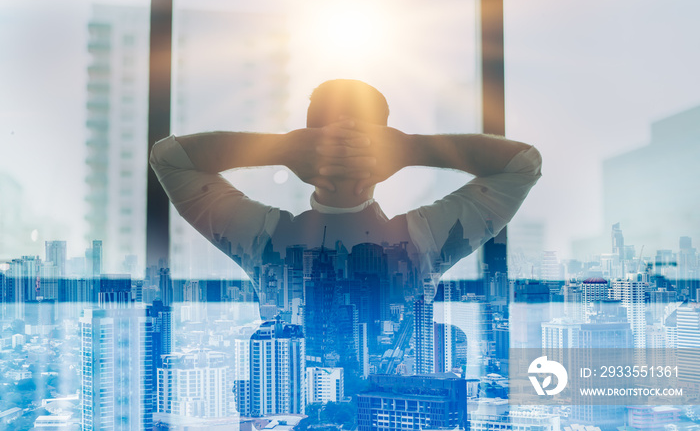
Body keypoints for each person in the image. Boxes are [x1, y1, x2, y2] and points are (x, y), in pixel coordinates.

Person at [150, 79, 542, 288]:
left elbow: (170, 159)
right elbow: (522, 165)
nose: (343, 149)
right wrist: (411, 149)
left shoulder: (263, 239)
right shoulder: (425, 242)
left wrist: (282, 148)